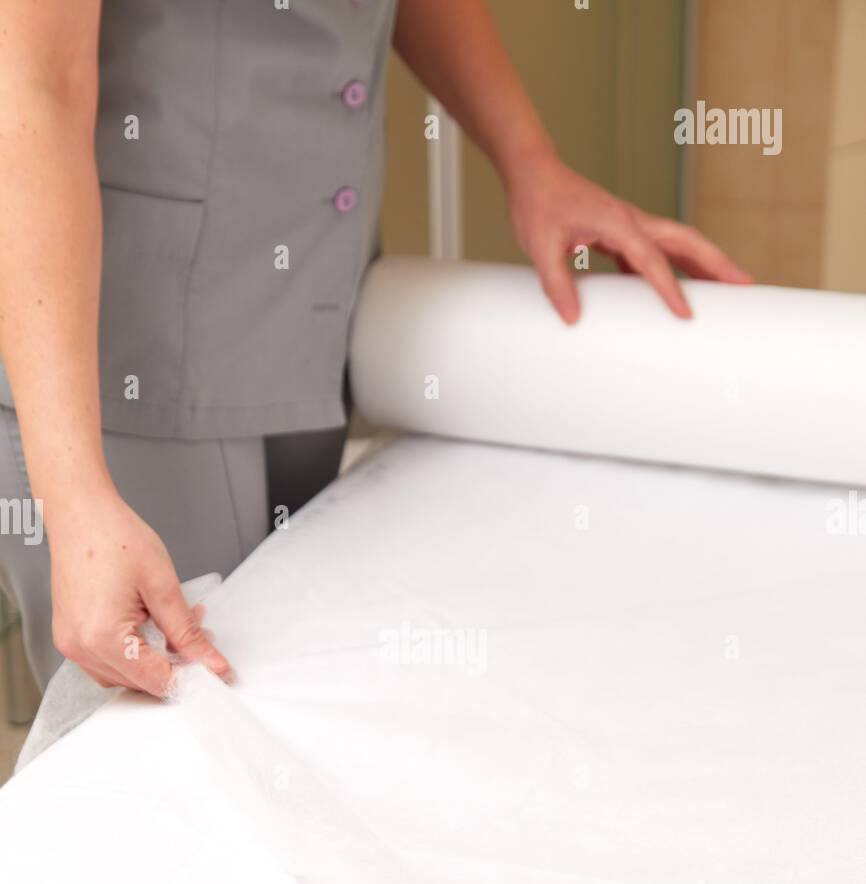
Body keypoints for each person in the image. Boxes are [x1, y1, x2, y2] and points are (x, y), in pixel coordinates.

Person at [0, 0, 750, 697]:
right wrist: (71, 495)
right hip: (127, 369)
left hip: (316, 312)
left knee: (303, 709)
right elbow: (31, 82)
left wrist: (530, 161)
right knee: (174, 760)